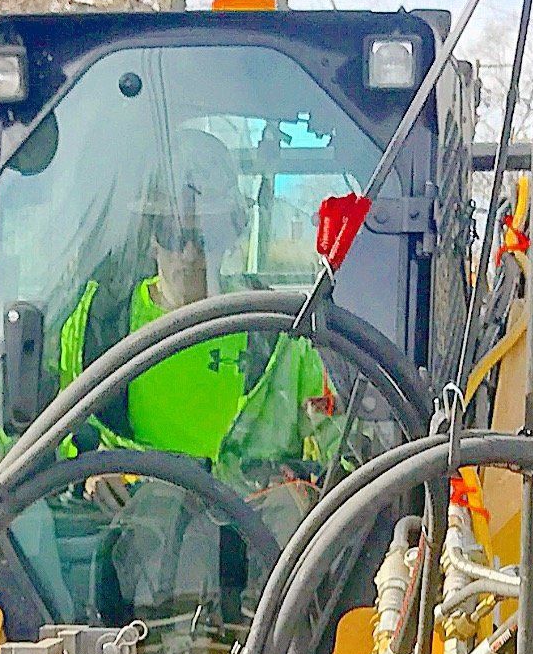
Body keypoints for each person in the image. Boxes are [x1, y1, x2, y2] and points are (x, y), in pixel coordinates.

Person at [57, 127, 336, 489]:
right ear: (151, 238)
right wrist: (90, 473)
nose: (190, 255)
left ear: (229, 237)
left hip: (254, 523)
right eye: (174, 235)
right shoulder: (96, 325)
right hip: (131, 521)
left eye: (206, 236)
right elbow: (54, 437)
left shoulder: (279, 331)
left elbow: (340, 441)